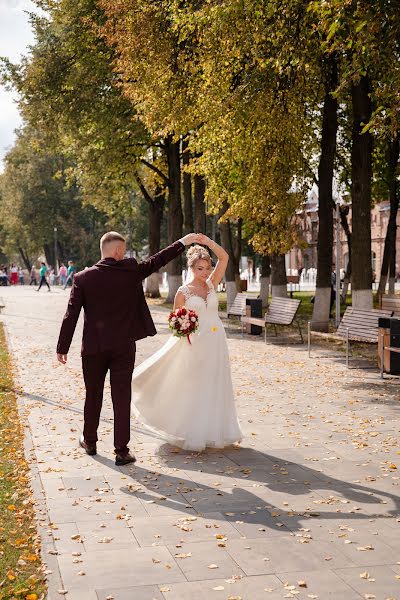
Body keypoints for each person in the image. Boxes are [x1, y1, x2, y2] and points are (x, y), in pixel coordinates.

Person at [56, 230, 200, 466]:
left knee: (93, 395)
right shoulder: (130, 271)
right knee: (121, 397)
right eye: (123, 250)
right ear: (117, 251)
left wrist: (62, 346)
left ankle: (89, 441)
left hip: (93, 348)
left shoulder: (82, 278)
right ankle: (121, 451)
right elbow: (158, 259)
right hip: (123, 347)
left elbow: (71, 314)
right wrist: (184, 242)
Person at [132, 234, 243, 452]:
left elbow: (225, 257)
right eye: (200, 268)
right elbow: (176, 322)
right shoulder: (182, 293)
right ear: (192, 268)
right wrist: (185, 327)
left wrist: (208, 243)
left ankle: (217, 431)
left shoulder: (212, 284)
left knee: (216, 382)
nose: (205, 272)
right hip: (194, 344)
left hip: (216, 341)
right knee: (196, 385)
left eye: (207, 268)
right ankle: (193, 431)